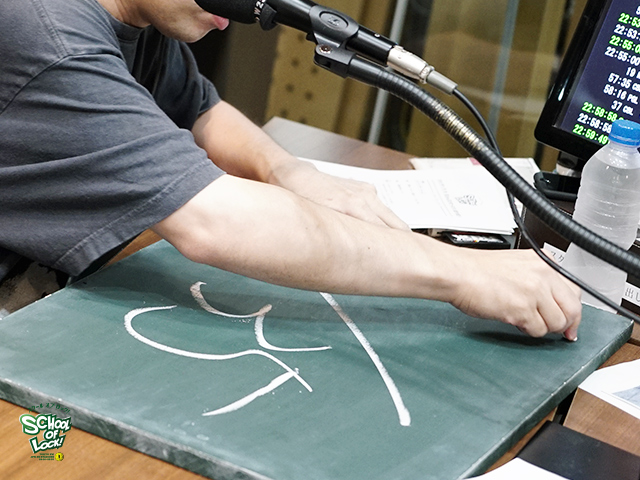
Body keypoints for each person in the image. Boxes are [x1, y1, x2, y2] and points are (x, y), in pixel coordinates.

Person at [0, 0, 581, 339]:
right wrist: (464, 272)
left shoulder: (135, 18)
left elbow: (199, 109)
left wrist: (288, 171)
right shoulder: (49, 37)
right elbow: (215, 222)